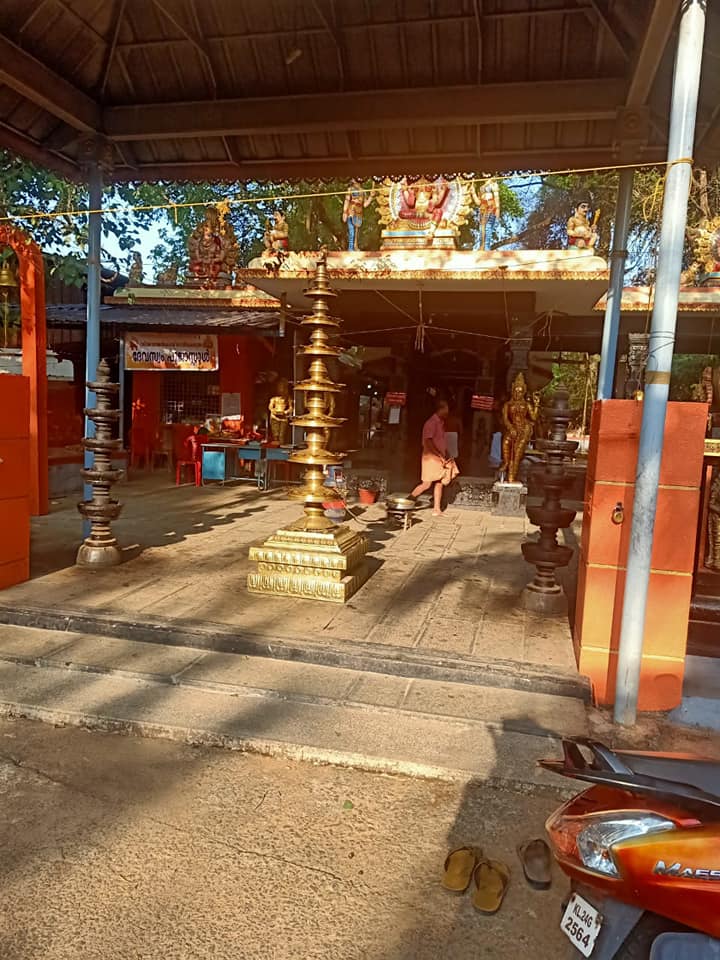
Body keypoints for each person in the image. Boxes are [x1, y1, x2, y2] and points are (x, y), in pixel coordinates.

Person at [409, 399, 459, 517]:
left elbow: (441, 441)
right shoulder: (431, 423)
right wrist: (438, 454)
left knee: (439, 482)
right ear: (440, 409)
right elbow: (428, 441)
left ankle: (437, 509)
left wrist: (445, 453)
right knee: (426, 483)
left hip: (440, 457)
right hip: (431, 458)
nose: (448, 411)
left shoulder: (440, 423)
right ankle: (408, 501)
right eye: (446, 409)